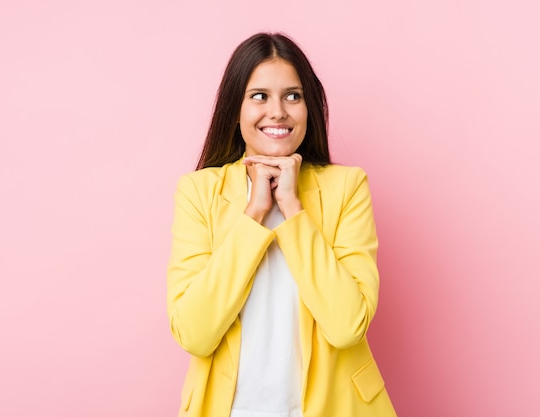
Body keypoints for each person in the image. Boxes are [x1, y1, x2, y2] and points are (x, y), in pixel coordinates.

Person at [167, 32, 397, 417]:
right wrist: (254, 213)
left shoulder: (347, 187)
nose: (278, 111)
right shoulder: (198, 192)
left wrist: (292, 208)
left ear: (309, 107)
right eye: (259, 96)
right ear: (234, 108)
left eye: (293, 96)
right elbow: (195, 333)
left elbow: (346, 327)